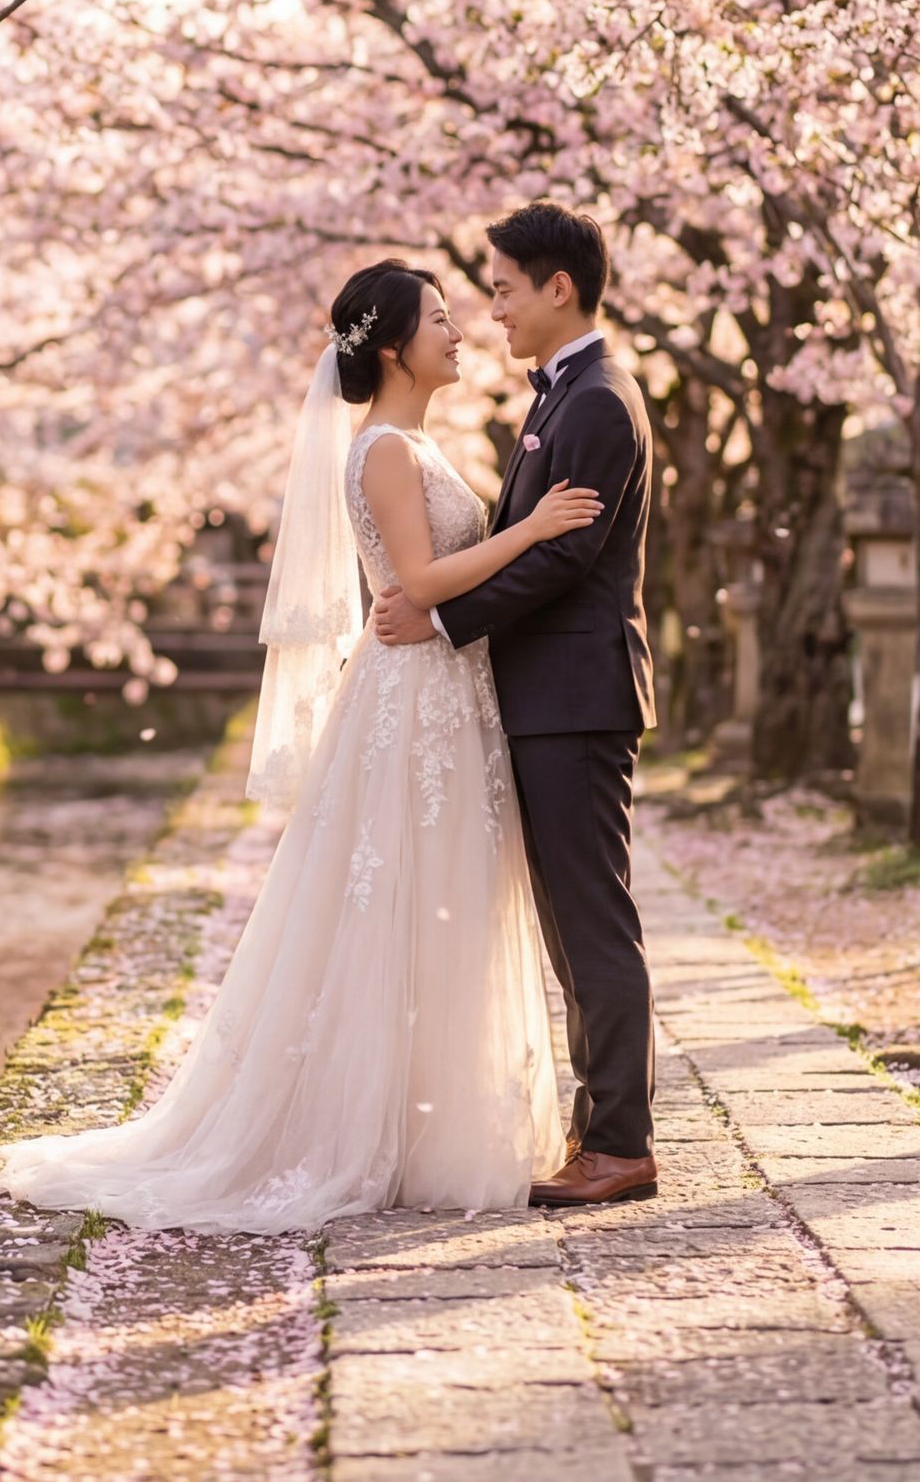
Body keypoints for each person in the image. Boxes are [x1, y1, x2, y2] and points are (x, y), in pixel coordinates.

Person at [0, 259, 596, 1232]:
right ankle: (370, 1131)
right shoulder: (386, 453)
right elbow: (419, 579)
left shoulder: (411, 445)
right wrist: (532, 531)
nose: (459, 330)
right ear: (395, 345)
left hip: (444, 690)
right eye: (440, 319)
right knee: (405, 900)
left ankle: (428, 1121)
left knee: (445, 901)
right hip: (414, 700)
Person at [370, 202, 659, 1209]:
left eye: (499, 290)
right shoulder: (563, 397)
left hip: (576, 697)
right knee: (570, 923)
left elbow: (563, 556)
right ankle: (603, 1128)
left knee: (590, 920)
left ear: (558, 289)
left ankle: (620, 1140)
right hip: (550, 695)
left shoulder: (595, 402)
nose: (491, 311)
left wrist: (443, 623)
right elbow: (533, 541)